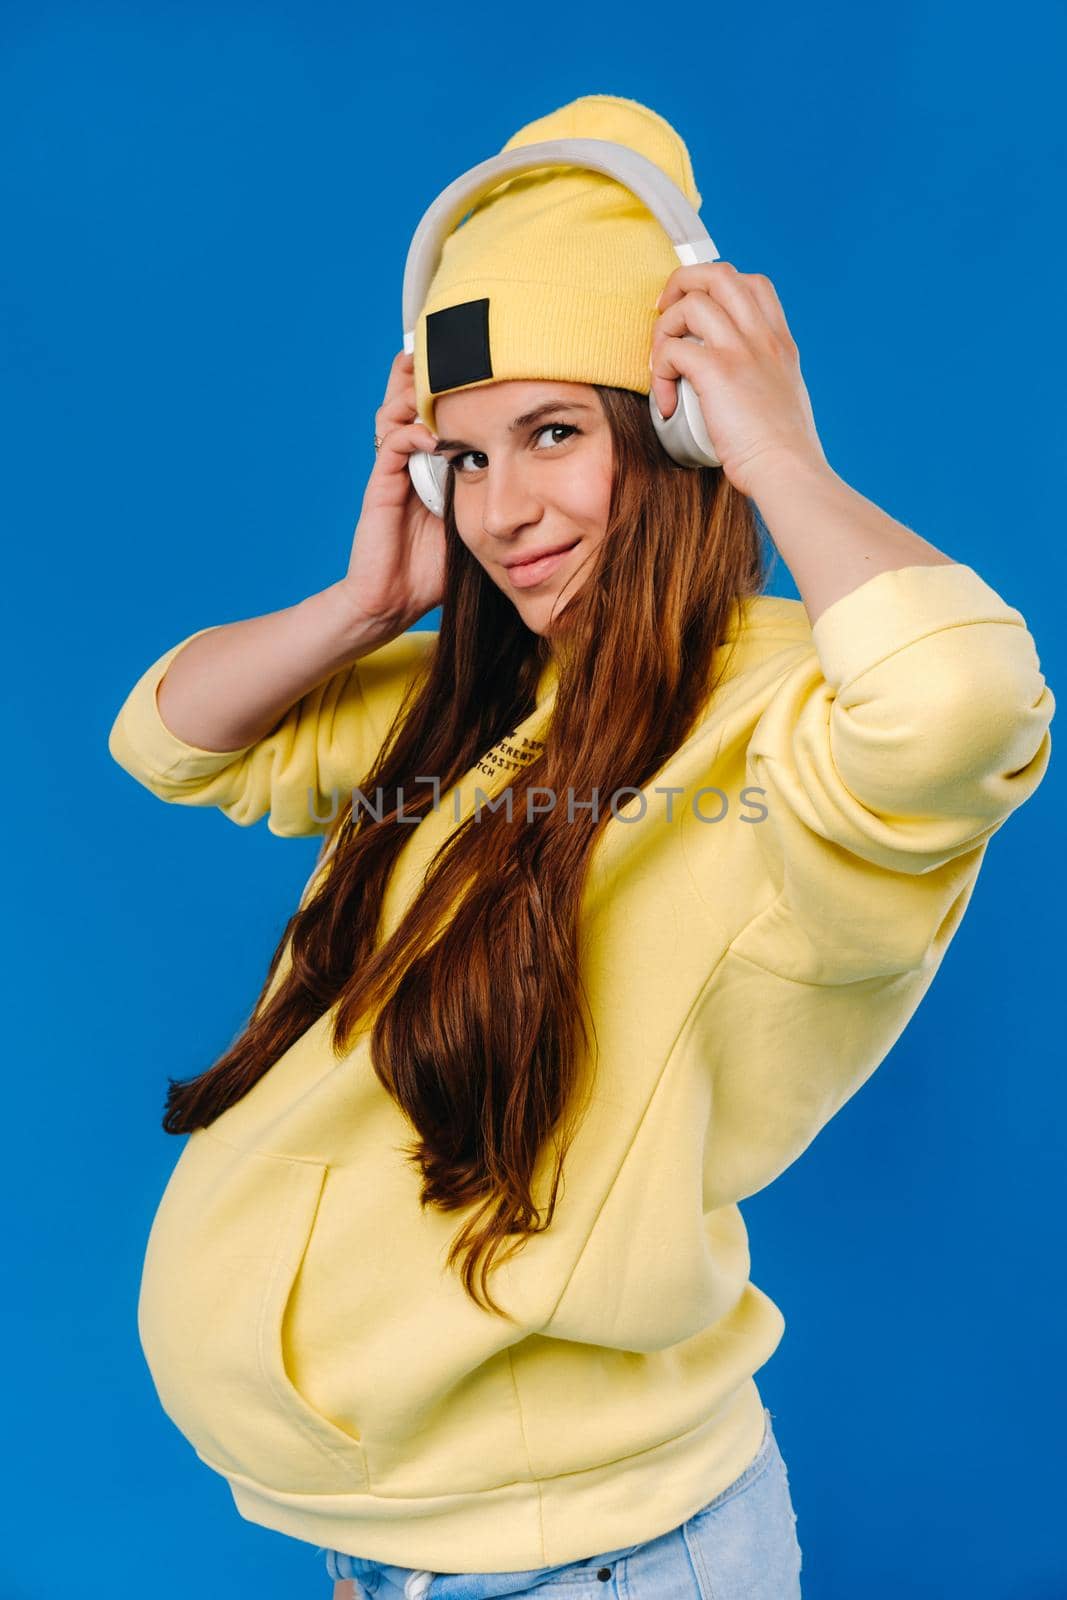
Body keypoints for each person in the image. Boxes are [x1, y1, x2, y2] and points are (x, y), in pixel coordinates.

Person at [107, 95, 1054, 1600]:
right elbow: (172, 736)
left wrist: (781, 459)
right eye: (466, 459)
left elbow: (963, 706)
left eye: (555, 435)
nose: (504, 511)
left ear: (674, 430)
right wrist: (365, 603)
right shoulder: (479, 707)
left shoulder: (784, 711)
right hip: (411, 1557)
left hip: (599, 1564)